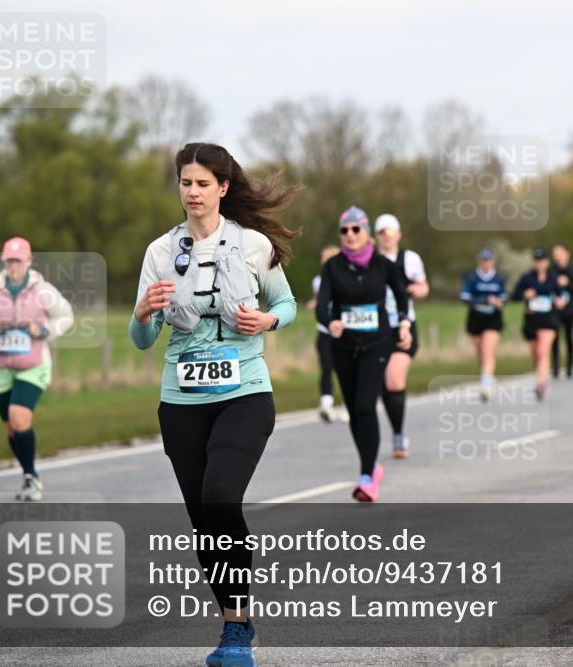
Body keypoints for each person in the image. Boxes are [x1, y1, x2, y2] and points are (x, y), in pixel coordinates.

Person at [129, 142, 299, 667]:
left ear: (223, 188)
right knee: (205, 520)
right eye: (186, 183)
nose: (193, 192)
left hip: (244, 391)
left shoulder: (253, 245)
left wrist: (268, 320)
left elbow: (286, 303)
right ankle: (235, 620)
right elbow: (142, 339)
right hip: (181, 400)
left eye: (203, 183)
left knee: (221, 498)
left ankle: (236, 630)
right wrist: (142, 313)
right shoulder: (160, 252)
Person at [0, 237, 74, 501]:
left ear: (29, 261)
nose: (13, 266)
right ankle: (30, 475)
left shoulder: (43, 290)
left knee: (18, 417)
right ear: (4, 262)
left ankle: (30, 478)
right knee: (11, 428)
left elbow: (66, 316)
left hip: (33, 365)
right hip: (0, 366)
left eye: (18, 260)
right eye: (9, 261)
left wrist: (45, 330)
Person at [316, 206, 411, 498]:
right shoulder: (332, 267)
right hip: (343, 345)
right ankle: (370, 466)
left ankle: (367, 475)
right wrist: (330, 322)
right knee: (354, 410)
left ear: (366, 232)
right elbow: (322, 305)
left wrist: (404, 323)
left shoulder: (383, 265)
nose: (350, 235)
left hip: (377, 343)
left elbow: (401, 295)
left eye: (356, 229)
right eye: (344, 230)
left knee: (366, 405)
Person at [374, 213, 429, 459]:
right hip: (377, 329)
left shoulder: (410, 259)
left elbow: (424, 286)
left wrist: (415, 289)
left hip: (404, 326)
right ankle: (397, 431)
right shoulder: (371, 260)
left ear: (398, 234)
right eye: (382, 232)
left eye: (390, 231)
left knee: (394, 379)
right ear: (376, 236)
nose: (386, 236)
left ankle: (398, 435)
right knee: (384, 383)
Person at [511, 248, 561, 400]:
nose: (539, 264)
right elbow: (514, 296)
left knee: (542, 351)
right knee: (535, 353)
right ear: (534, 263)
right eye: (537, 261)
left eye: (542, 261)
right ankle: (542, 373)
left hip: (548, 319)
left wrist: (560, 301)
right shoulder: (526, 278)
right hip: (532, 319)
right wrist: (525, 295)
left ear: (547, 262)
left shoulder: (554, 277)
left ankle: (541, 383)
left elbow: (561, 295)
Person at [460, 247, 508, 401]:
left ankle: (485, 385)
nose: (486, 263)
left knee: (488, 350)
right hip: (476, 318)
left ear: (493, 261)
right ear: (479, 261)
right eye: (483, 260)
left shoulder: (499, 277)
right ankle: (488, 377)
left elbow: (504, 297)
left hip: (493, 318)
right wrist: (485, 300)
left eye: (488, 260)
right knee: (480, 352)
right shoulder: (472, 277)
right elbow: (465, 298)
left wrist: (499, 303)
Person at [308, 245, 345, 423]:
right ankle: (326, 403)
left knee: (344, 368)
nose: (323, 261)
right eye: (322, 258)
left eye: (327, 258)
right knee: (326, 367)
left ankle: (349, 404)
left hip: (344, 331)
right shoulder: (318, 280)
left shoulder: (345, 278)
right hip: (325, 330)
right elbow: (321, 298)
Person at [550, 243, 573, 379]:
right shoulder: (551, 270)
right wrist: (555, 299)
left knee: (569, 336)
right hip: (554, 308)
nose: (558, 257)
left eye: (560, 254)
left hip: (570, 308)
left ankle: (570, 367)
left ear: (567, 254)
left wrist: (567, 283)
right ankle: (555, 367)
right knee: (554, 337)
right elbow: (547, 287)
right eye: (556, 255)